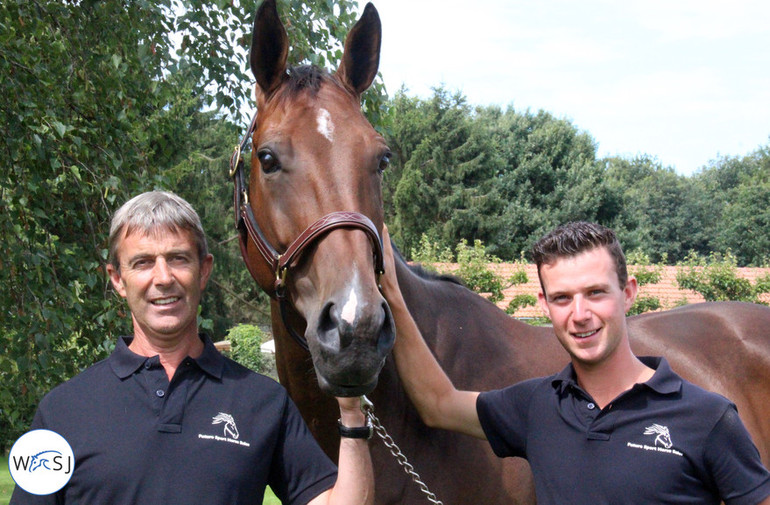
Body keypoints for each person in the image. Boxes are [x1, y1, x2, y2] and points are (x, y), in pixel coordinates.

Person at [11, 191, 374, 505]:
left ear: (203, 271)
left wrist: (352, 409)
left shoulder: (262, 403)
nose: (163, 278)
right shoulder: (61, 411)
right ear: (117, 279)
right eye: (143, 263)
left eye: (178, 258)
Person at [380, 221, 770, 504]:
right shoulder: (536, 407)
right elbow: (437, 404)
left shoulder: (707, 418)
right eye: (563, 298)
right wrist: (394, 295)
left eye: (596, 293)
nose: (580, 314)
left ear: (628, 293)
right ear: (544, 306)